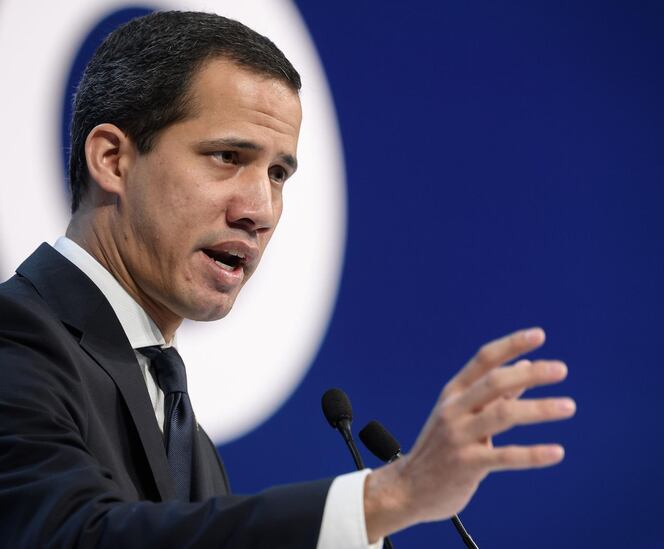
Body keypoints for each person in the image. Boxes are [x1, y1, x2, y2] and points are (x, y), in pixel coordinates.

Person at [0, 10, 576, 548]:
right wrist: (387, 498)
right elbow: (75, 535)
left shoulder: (184, 432)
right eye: (227, 156)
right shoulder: (15, 337)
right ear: (112, 160)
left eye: (278, 173)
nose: (261, 209)